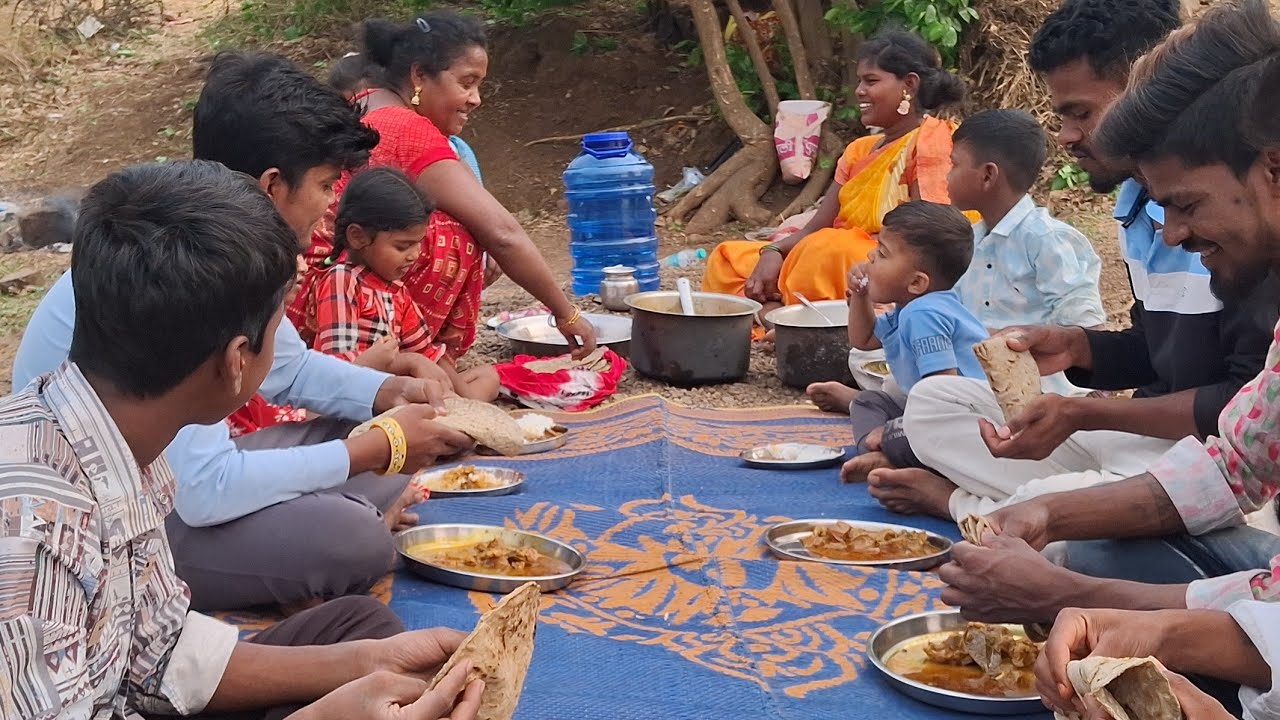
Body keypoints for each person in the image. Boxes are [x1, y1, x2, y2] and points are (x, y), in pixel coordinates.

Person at [0, 160, 483, 720]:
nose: (285, 351)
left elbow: (157, 652)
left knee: (366, 635)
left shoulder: (120, 437)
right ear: (236, 360)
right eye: (279, 329)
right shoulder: (30, 534)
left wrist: (365, 663)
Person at [12, 51, 477, 613]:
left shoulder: (225, 252)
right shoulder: (193, 274)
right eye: (327, 185)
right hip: (120, 513)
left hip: (175, 479)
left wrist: (383, 395)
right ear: (273, 187)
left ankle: (325, 522)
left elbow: (286, 367)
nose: (330, 206)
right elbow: (202, 491)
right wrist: (379, 446)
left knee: (370, 448)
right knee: (355, 538)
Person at [864, 0, 1280, 524]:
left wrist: (1087, 416)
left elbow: (1241, 442)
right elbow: (1165, 353)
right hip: (1174, 449)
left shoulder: (1246, 233)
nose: (1064, 136)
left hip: (1205, 458)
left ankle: (975, 509)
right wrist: (1078, 348)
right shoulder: (1150, 212)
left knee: (1068, 529)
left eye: (1080, 112)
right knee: (937, 403)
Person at [291, 11, 596, 363]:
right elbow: (502, 232)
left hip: (300, 296)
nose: (475, 98)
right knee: (456, 231)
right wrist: (566, 313)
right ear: (419, 75)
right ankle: (417, 354)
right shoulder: (404, 126)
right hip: (326, 303)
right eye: (466, 82)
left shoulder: (364, 100)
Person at [809, 109, 1105, 416]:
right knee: (872, 356)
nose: (946, 175)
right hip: (963, 370)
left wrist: (996, 340)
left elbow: (1087, 329)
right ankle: (887, 407)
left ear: (987, 175)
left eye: (953, 165)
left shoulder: (1049, 240)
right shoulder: (967, 240)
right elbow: (936, 311)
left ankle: (880, 410)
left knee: (926, 386)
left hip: (1033, 384)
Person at [701, 30, 969, 314]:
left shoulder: (933, 142)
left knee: (832, 249)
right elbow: (816, 226)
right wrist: (773, 251)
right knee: (728, 258)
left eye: (871, 81)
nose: (859, 91)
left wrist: (869, 252)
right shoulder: (859, 149)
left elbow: (927, 243)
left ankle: (783, 311)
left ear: (909, 85)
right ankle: (790, 310)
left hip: (884, 262)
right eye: (859, 81)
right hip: (828, 255)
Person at [306, 167, 500, 401]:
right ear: (357, 236)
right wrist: (406, 362)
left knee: (489, 377)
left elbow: (428, 354)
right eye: (402, 246)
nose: (415, 255)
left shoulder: (396, 290)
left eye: (418, 244)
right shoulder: (342, 281)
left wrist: (464, 401)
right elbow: (338, 372)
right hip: (360, 396)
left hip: (398, 387)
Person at [838, 201, 989, 481]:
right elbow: (864, 339)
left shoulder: (925, 314)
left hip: (968, 420)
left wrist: (895, 428)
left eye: (882, 254)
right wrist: (859, 297)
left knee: (899, 435)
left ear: (917, 283)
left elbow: (944, 392)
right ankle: (882, 456)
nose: (870, 257)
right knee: (868, 403)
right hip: (933, 411)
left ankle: (903, 462)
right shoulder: (910, 308)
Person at [328, 51, 486, 185]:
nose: (365, 119)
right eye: (354, 110)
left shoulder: (453, 149)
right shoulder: (341, 155)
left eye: (371, 102)